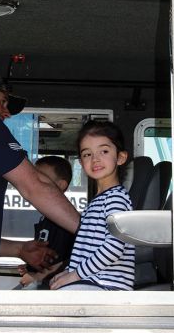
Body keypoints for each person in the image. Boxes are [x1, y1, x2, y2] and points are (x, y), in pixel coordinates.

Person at [0, 69, 80, 290]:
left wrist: (19, 249)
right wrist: (90, 233)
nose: (6, 113)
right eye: (3, 102)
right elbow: (34, 185)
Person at [49, 120, 135, 291]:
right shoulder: (98, 200)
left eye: (104, 151)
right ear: (81, 162)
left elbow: (114, 248)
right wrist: (69, 270)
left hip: (107, 285)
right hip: (93, 281)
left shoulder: (116, 198)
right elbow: (86, 250)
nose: (95, 159)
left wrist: (74, 275)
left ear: (120, 157)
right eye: (87, 154)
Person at [18, 156, 76, 289]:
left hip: (56, 285)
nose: (34, 183)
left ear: (61, 185)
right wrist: (31, 266)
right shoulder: (46, 218)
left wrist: (38, 275)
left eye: (42, 179)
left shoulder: (65, 221)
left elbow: (67, 260)